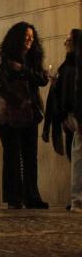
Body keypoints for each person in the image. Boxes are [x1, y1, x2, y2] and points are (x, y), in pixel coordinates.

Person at [0, 21, 50, 210]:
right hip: (10, 115)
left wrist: (23, 70)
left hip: (30, 112)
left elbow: (41, 80)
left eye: (32, 38)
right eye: (26, 37)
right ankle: (13, 197)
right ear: (17, 39)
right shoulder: (7, 61)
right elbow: (3, 86)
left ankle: (32, 196)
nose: (29, 41)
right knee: (13, 155)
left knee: (30, 156)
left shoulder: (32, 59)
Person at [43, 29, 82, 212]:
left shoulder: (74, 63)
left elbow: (74, 90)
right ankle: (77, 199)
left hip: (73, 115)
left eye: (68, 39)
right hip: (71, 115)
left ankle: (77, 200)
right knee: (74, 157)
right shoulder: (68, 64)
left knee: (76, 157)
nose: (65, 42)